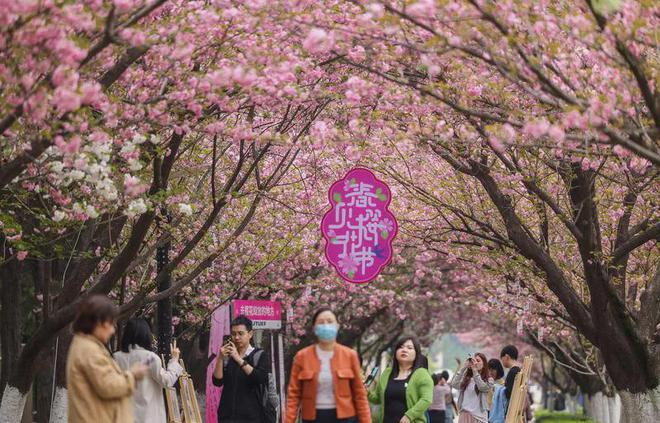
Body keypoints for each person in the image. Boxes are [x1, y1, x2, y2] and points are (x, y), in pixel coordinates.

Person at [66, 295, 148, 423]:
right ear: (99, 322)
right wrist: (132, 375)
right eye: (111, 323)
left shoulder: (86, 345)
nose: (113, 330)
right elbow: (108, 386)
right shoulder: (89, 350)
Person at [286, 307, 370, 423]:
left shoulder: (350, 355)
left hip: (345, 417)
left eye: (330, 321)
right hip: (313, 417)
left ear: (337, 326)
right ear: (315, 328)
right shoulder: (302, 357)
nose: (326, 325)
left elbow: (360, 395)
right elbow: (293, 395)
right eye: (321, 322)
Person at [113, 318, 183, 423]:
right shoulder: (150, 358)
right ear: (146, 335)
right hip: (148, 416)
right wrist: (174, 360)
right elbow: (167, 381)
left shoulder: (116, 357)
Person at [212, 315, 271, 423]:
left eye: (240, 333)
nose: (237, 337)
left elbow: (259, 378)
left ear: (250, 334)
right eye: (233, 334)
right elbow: (217, 381)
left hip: (252, 417)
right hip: (227, 417)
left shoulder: (259, 355)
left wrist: (238, 359)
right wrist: (220, 358)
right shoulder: (228, 357)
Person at [368, 336, 434, 423]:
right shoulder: (387, 373)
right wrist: (366, 393)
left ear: (416, 354)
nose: (404, 350)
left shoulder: (422, 374)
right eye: (400, 347)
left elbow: (426, 399)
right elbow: (377, 398)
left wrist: (409, 416)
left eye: (409, 348)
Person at [450, 353, 493, 423]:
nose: (475, 363)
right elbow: (454, 384)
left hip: (479, 418)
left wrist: (475, 371)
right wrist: (464, 367)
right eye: (473, 360)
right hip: (464, 415)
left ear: (484, 364)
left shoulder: (489, 380)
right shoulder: (467, 379)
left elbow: (482, 387)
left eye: (478, 361)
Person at [499, 345, 521, 410]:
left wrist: (499, 388)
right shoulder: (518, 370)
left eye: (502, 359)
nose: (502, 362)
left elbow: (508, 393)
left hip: (510, 409)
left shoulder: (512, 372)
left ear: (506, 357)